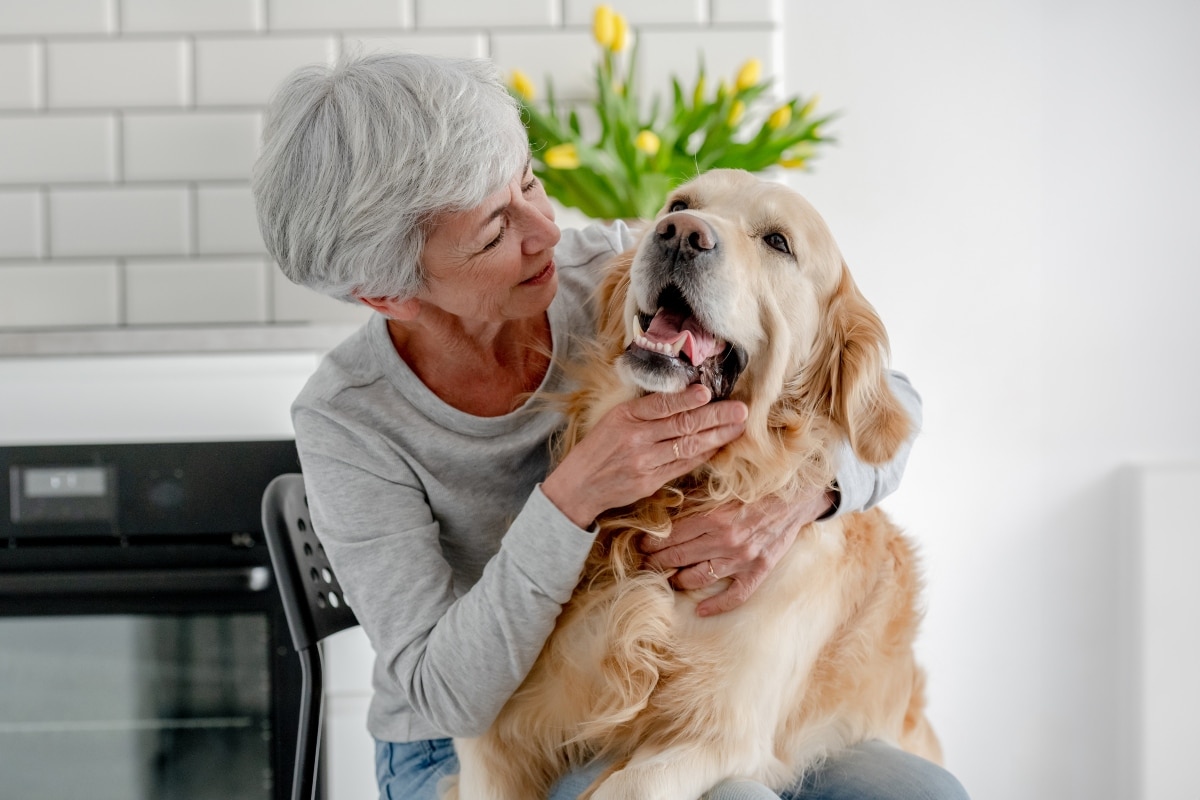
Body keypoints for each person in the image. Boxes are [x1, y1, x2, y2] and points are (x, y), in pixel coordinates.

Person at [252, 52, 967, 800]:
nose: (546, 232)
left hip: (662, 685)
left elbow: (887, 399)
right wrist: (573, 497)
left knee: (917, 793)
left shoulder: (613, 270)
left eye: (529, 181)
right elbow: (447, 696)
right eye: (495, 231)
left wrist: (807, 498)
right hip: (466, 741)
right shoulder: (347, 421)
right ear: (389, 295)